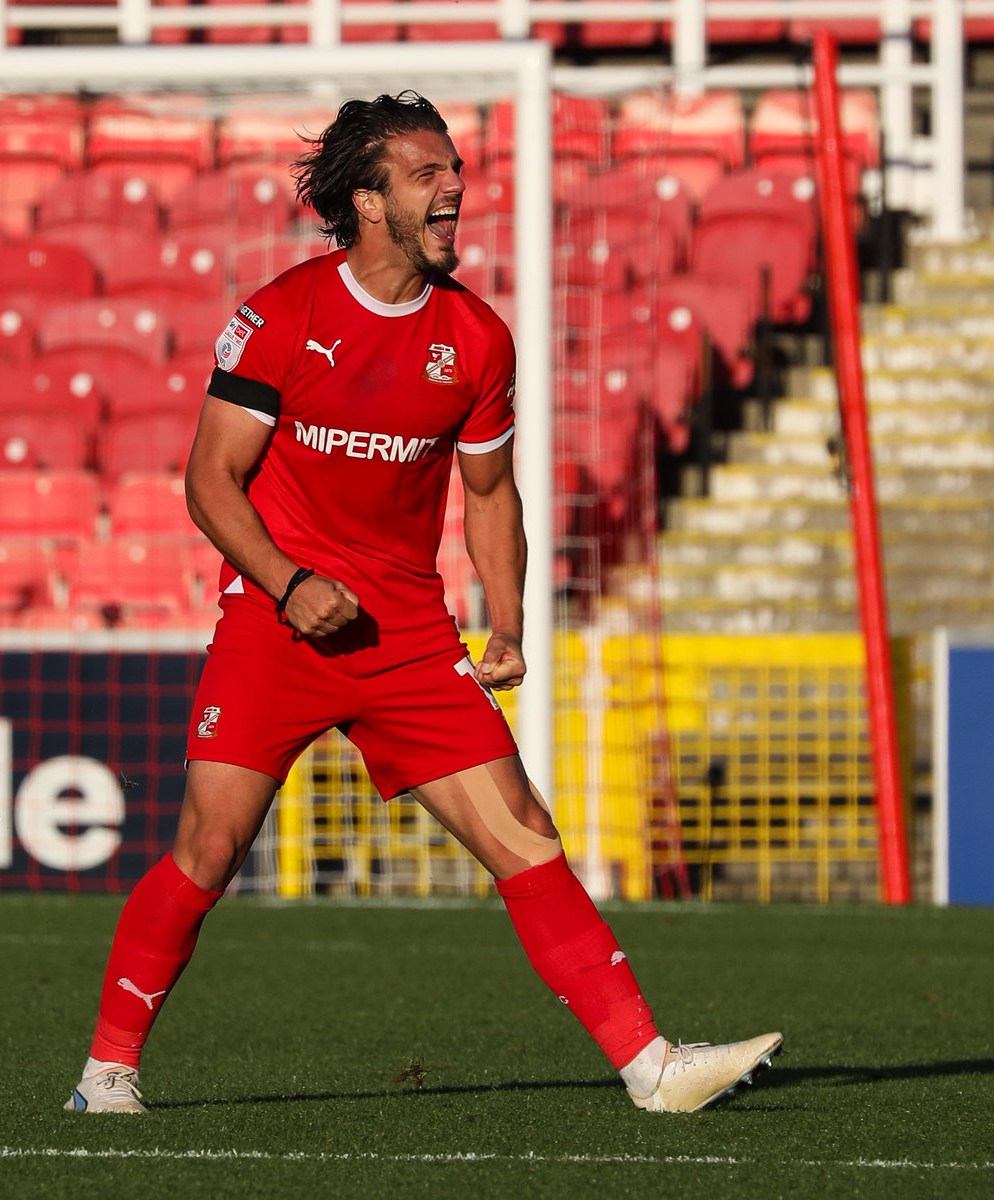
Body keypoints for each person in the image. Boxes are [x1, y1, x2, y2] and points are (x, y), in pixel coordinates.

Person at [64, 91, 781, 1116]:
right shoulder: (281, 317)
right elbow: (209, 483)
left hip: (404, 634)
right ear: (366, 199)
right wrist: (289, 584)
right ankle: (107, 1073)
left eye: (456, 171)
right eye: (427, 174)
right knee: (209, 849)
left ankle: (651, 1069)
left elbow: (490, 493)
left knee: (523, 836)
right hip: (276, 624)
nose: (455, 189)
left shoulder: (478, 340)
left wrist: (510, 623)